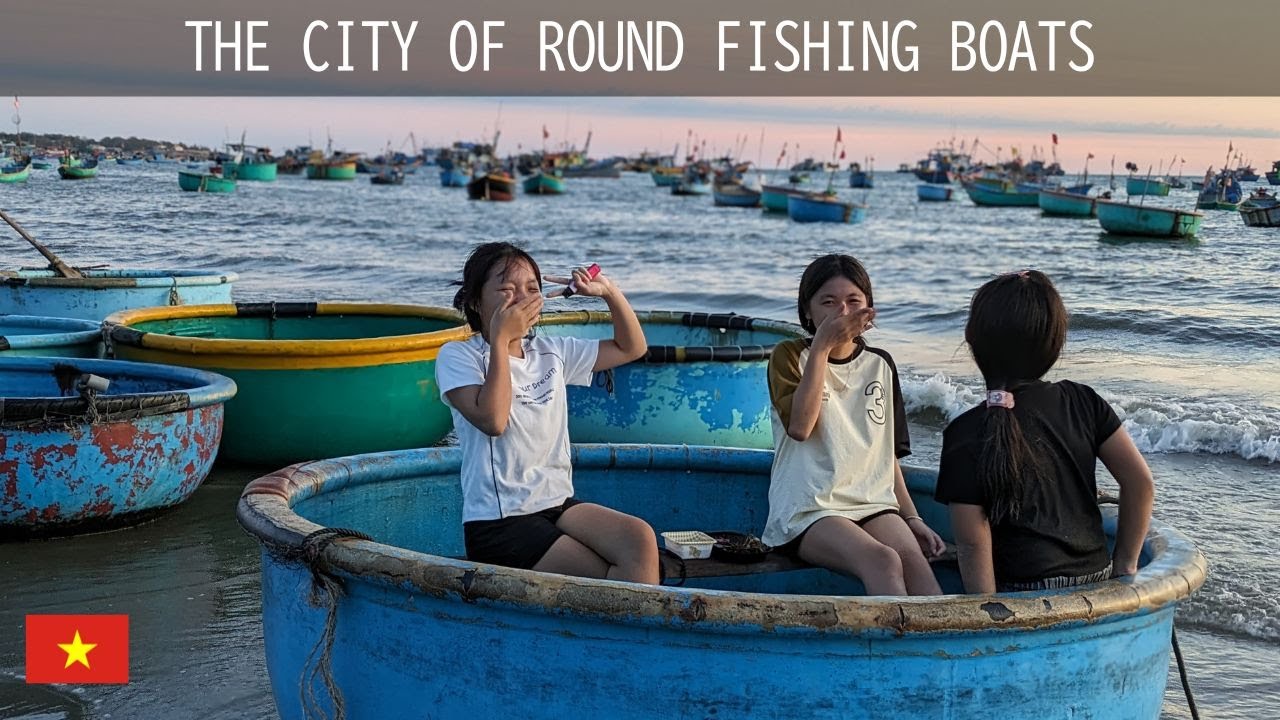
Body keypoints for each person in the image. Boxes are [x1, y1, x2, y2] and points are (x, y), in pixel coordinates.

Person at [436, 242, 659, 583]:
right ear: (476, 302)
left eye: (531, 289)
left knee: (638, 538)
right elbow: (493, 420)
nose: (522, 299)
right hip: (500, 522)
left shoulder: (550, 351)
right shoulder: (458, 356)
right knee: (604, 577)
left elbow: (631, 347)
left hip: (556, 503)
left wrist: (609, 293)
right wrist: (501, 341)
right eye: (507, 290)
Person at [935, 271, 1154, 593]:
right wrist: (1125, 567)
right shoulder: (1083, 401)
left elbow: (972, 545)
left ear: (971, 338)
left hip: (1021, 591)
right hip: (1095, 576)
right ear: (1055, 344)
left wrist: (989, 611)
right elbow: (1140, 483)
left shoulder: (964, 431)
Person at [762, 254, 945, 596]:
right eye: (828, 302)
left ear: (868, 310)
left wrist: (913, 518)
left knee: (914, 562)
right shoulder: (789, 356)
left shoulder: (880, 364)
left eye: (853, 301)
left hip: (872, 504)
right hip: (809, 509)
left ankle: (936, 634)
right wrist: (821, 348)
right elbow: (800, 428)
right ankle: (892, 635)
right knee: (882, 560)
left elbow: (886, 457)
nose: (842, 312)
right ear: (807, 311)